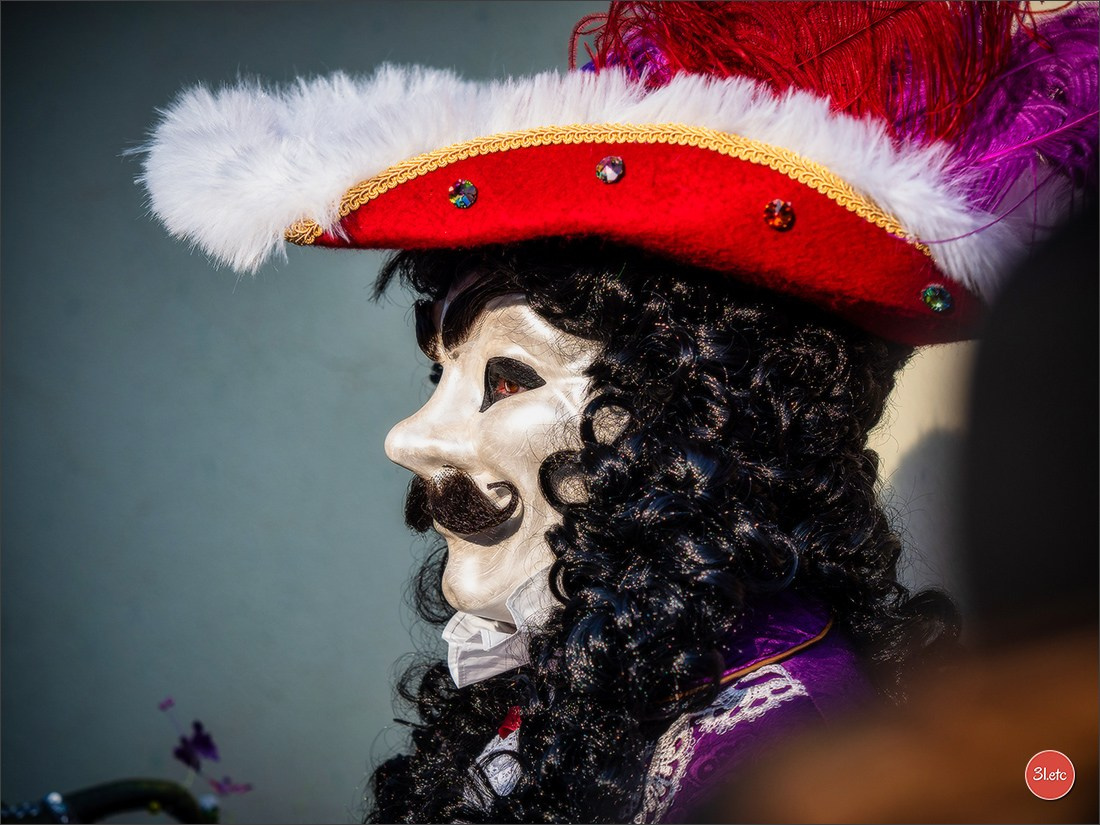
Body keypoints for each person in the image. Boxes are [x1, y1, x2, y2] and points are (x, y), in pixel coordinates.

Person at [137, 3, 1097, 821]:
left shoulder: (778, 759)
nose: (410, 437)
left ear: (704, 427)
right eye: (441, 375)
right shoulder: (601, 676)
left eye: (507, 380)